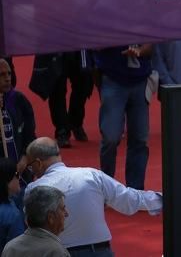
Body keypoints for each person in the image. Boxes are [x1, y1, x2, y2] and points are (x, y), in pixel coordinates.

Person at [23, 138, 162, 254]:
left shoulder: (34, 188)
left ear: (38, 163)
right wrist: (165, 199)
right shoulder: (91, 175)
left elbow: (32, 230)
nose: (32, 171)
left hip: (59, 252)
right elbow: (130, 199)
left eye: (31, 167)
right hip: (100, 251)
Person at [93, 44, 153, 189]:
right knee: (110, 138)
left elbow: (151, 44)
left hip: (140, 79)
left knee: (139, 138)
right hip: (112, 77)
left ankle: (136, 191)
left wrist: (140, 50)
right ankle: (107, 188)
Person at [30, 52, 90, 149]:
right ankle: (62, 130)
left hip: (79, 45)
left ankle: (76, 122)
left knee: (84, 83)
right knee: (57, 88)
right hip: (56, 46)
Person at [1, 185, 68, 257]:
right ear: (50, 218)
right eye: (63, 209)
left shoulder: (10, 247)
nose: (67, 213)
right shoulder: (56, 252)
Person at [0, 59, 35, 166]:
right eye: (2, 75)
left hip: (21, 167)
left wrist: (25, 157)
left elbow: (30, 134)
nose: (7, 79)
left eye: (9, 73)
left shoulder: (19, 100)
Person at [0, 159, 23, 251]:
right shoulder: (12, 215)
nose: (19, 177)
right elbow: (17, 250)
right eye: (17, 174)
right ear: (7, 181)